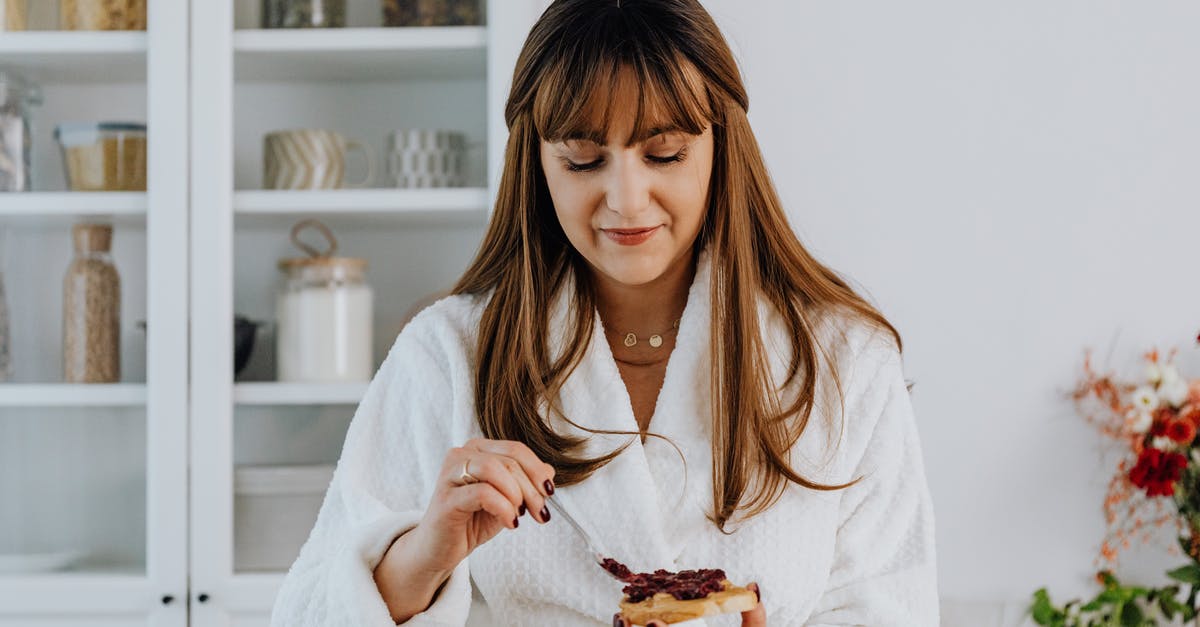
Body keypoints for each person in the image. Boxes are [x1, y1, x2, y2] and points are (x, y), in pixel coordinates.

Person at [270, 0, 939, 625]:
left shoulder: (844, 363)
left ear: (721, 146)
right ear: (538, 162)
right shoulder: (449, 356)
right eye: (584, 160)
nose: (625, 199)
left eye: (664, 154)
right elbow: (305, 609)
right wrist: (423, 553)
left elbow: (892, 606)